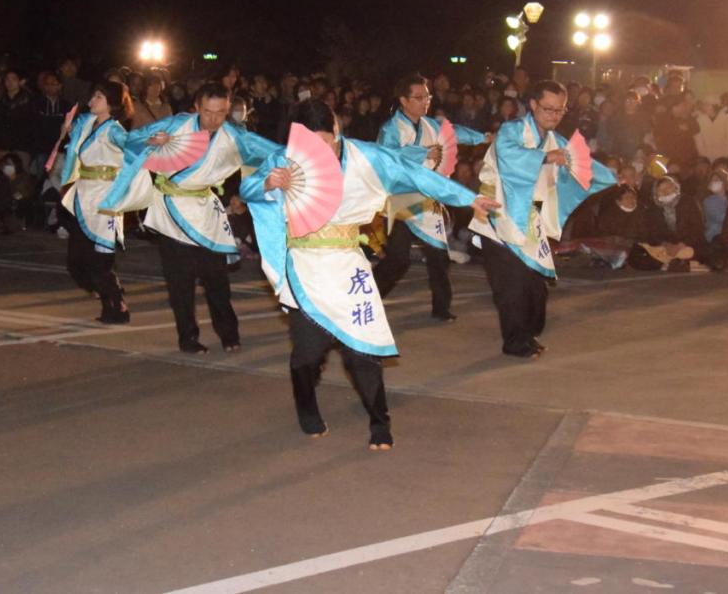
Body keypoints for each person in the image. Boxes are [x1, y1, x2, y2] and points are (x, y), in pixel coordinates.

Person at [241, 99, 497, 449]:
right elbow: (248, 189)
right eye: (309, 144)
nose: (320, 151)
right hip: (304, 266)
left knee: (363, 351)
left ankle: (380, 420)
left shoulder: (367, 157)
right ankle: (306, 406)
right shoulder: (284, 159)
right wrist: (268, 184)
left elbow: (417, 175)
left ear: (336, 130)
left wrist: (467, 198)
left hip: (348, 263)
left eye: (325, 141)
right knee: (307, 353)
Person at [102, 82, 279, 353]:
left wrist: (307, 157)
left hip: (206, 208)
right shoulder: (177, 126)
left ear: (228, 108)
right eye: (208, 111)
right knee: (180, 282)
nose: (213, 119)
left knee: (216, 278)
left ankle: (229, 333)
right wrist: (151, 142)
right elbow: (129, 139)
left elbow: (271, 152)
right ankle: (188, 337)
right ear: (197, 106)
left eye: (220, 112)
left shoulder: (233, 135)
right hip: (171, 211)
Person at [470, 80, 617, 358]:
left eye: (559, 110)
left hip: (531, 220)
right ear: (533, 105)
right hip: (499, 219)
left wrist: (612, 177)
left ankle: (527, 334)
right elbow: (510, 157)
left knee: (535, 286)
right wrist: (546, 157)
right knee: (511, 286)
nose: (553, 115)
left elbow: (583, 164)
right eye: (548, 108)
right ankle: (515, 342)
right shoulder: (511, 131)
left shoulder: (555, 140)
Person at [373, 74, 490, 321]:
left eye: (427, 96)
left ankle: (441, 307)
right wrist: (421, 152)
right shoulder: (391, 128)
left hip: (426, 199)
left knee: (438, 255)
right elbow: (386, 157)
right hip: (401, 200)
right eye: (419, 97)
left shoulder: (430, 126)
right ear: (404, 100)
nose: (425, 101)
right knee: (398, 259)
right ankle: (368, 299)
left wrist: (482, 137)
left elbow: (453, 132)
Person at [59, 81, 152, 323]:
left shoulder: (114, 130)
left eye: (98, 97)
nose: (91, 101)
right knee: (76, 260)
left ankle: (115, 307)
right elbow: (77, 145)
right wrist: (69, 131)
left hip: (103, 197)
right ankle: (112, 295)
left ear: (112, 102)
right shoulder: (88, 124)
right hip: (84, 193)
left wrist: (150, 143)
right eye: (93, 96)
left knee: (98, 259)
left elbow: (133, 146)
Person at [628, 176, 709, 272]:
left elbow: (697, 229)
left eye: (668, 187)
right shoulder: (653, 209)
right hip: (665, 247)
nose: (665, 191)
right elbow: (653, 233)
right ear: (655, 194)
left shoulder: (689, 202)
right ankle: (681, 264)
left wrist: (680, 245)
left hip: (687, 245)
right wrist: (666, 245)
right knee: (638, 251)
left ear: (676, 187)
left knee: (693, 251)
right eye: (661, 190)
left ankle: (673, 263)